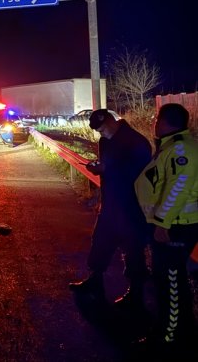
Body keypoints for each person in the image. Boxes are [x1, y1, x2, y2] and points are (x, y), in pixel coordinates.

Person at [68, 109, 152, 309]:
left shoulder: (136, 141)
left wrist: (107, 169)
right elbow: (106, 168)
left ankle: (136, 294)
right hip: (110, 203)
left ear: (112, 121)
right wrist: (98, 168)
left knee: (133, 249)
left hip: (133, 205)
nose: (101, 133)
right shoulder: (105, 142)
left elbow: (140, 172)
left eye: (103, 128)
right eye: (98, 131)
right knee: (100, 243)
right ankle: (94, 283)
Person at [133, 103, 198, 350]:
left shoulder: (181, 149)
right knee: (170, 280)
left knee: (170, 284)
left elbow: (177, 189)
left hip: (175, 228)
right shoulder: (173, 145)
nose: (154, 123)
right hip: (172, 225)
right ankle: (182, 330)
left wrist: (162, 224)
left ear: (164, 121)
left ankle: (169, 336)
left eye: (156, 119)